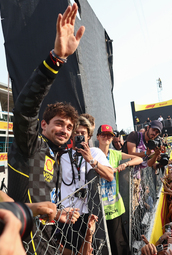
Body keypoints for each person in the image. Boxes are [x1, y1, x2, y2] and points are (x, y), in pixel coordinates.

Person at [7, 4, 84, 254]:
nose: (64, 130)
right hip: (20, 242)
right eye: (59, 123)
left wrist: (57, 213)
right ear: (43, 125)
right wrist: (57, 59)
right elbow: (26, 108)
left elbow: (38, 201)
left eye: (69, 127)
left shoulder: (55, 154)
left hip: (44, 241)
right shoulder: (30, 143)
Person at [60, 116, 113, 253]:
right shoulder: (63, 156)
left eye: (82, 133)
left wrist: (90, 160)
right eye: (76, 133)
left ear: (88, 136)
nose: (79, 136)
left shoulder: (95, 152)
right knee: (70, 250)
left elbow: (109, 176)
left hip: (89, 212)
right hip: (68, 213)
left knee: (89, 250)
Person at [96, 124, 143, 255]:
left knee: (118, 244)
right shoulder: (93, 153)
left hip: (114, 207)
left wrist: (126, 163)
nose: (106, 137)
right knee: (102, 246)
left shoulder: (115, 154)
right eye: (103, 135)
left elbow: (139, 158)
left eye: (109, 135)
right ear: (98, 136)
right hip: (98, 208)